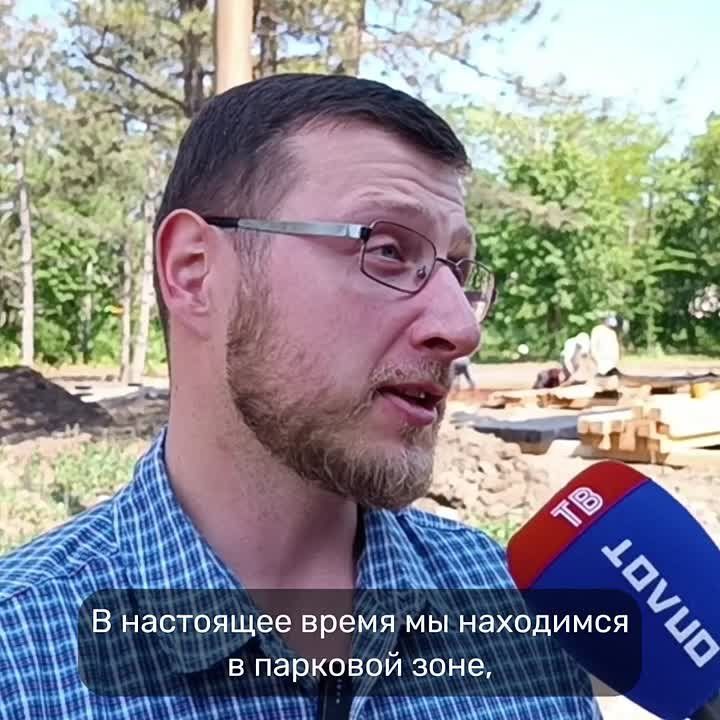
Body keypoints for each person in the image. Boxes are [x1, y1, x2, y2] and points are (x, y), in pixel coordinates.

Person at [0, 74, 602, 718]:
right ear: (195, 272)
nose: (461, 329)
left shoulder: (514, 612)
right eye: (387, 250)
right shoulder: (21, 661)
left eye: (458, 272)